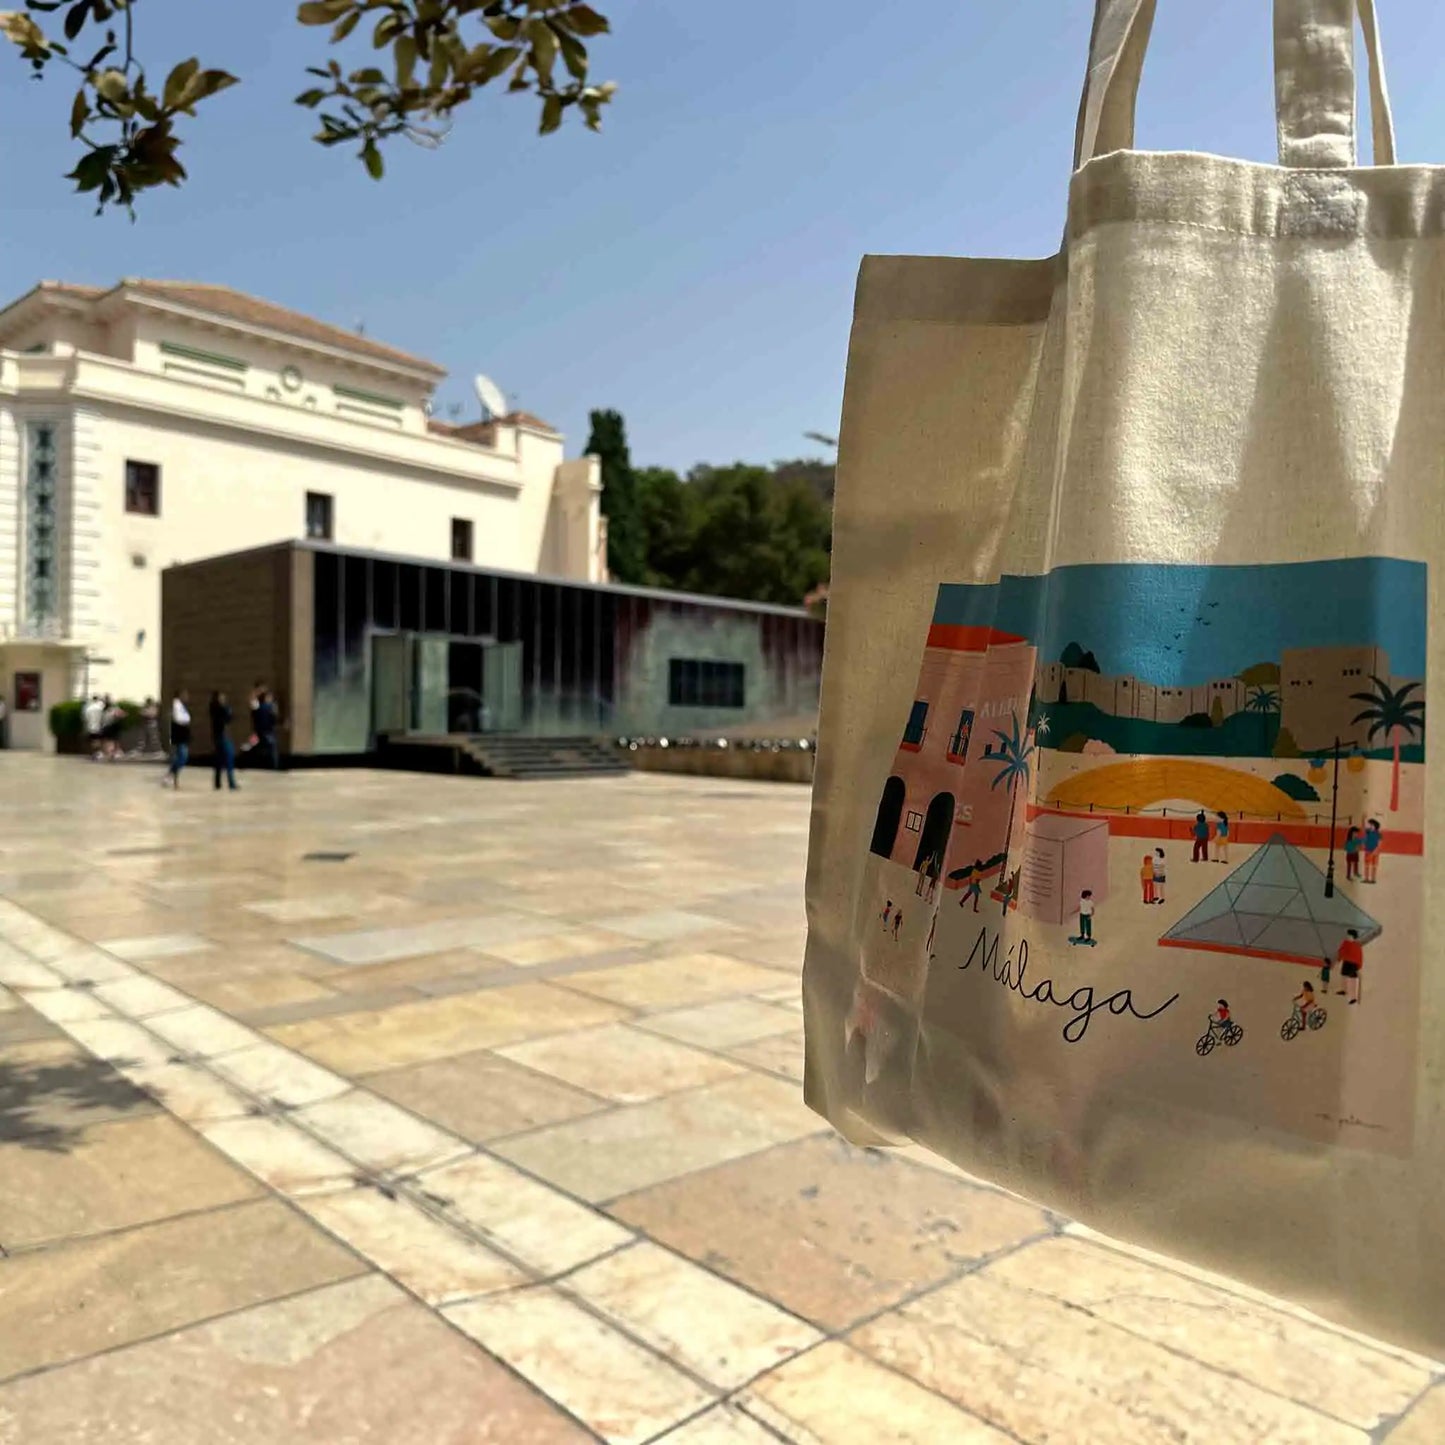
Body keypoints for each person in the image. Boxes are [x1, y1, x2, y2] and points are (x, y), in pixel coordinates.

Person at [209, 690, 239, 792]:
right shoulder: (220, 709)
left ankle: (217, 782)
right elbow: (229, 717)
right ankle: (231, 783)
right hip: (223, 737)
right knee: (229, 758)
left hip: (218, 737)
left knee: (219, 760)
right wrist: (227, 709)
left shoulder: (213, 709)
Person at [164, 690, 191, 788]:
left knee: (179, 757)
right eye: (185, 695)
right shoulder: (176, 705)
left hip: (182, 736)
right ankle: (170, 775)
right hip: (179, 736)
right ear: (180, 695)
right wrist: (187, 720)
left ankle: (173, 779)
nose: (187, 697)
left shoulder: (180, 706)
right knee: (182, 758)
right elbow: (179, 719)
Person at [1335, 928, 1364, 1004]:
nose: (1347, 936)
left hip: (1353, 964)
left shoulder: (1357, 946)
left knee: (1352, 979)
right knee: (1343, 976)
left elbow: (1359, 957)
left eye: (1349, 935)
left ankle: (1353, 997)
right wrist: (1339, 959)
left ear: (1352, 936)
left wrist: (1358, 966)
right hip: (1346, 962)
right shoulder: (1345, 943)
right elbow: (1341, 951)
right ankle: (1344, 990)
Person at [254, 689, 280, 769]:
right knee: (273, 750)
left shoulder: (259, 708)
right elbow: (274, 719)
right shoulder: (270, 708)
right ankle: (274, 767)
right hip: (269, 732)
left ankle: (261, 765)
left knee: (260, 749)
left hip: (260, 732)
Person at [99, 694, 124, 760]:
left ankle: (115, 752)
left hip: (112, 725)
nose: (105, 702)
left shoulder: (114, 708)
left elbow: (121, 714)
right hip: (106, 725)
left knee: (114, 739)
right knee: (104, 740)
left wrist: (117, 716)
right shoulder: (103, 709)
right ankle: (105, 753)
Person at [83, 692, 104, 760]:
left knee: (93, 740)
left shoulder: (88, 708)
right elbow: (102, 717)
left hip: (90, 726)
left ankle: (94, 753)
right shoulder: (100, 707)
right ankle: (97, 753)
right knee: (98, 740)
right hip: (99, 726)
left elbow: (86, 718)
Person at [1363, 818, 1382, 883]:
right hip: (1368, 850)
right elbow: (1363, 827)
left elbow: (1379, 844)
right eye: (1370, 824)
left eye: (1371, 825)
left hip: (1375, 852)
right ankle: (1366, 879)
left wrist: (1375, 851)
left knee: (1374, 866)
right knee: (1367, 865)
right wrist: (1363, 818)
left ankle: (1373, 879)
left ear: (1375, 826)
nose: (1370, 826)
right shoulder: (1368, 831)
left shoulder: (1378, 834)